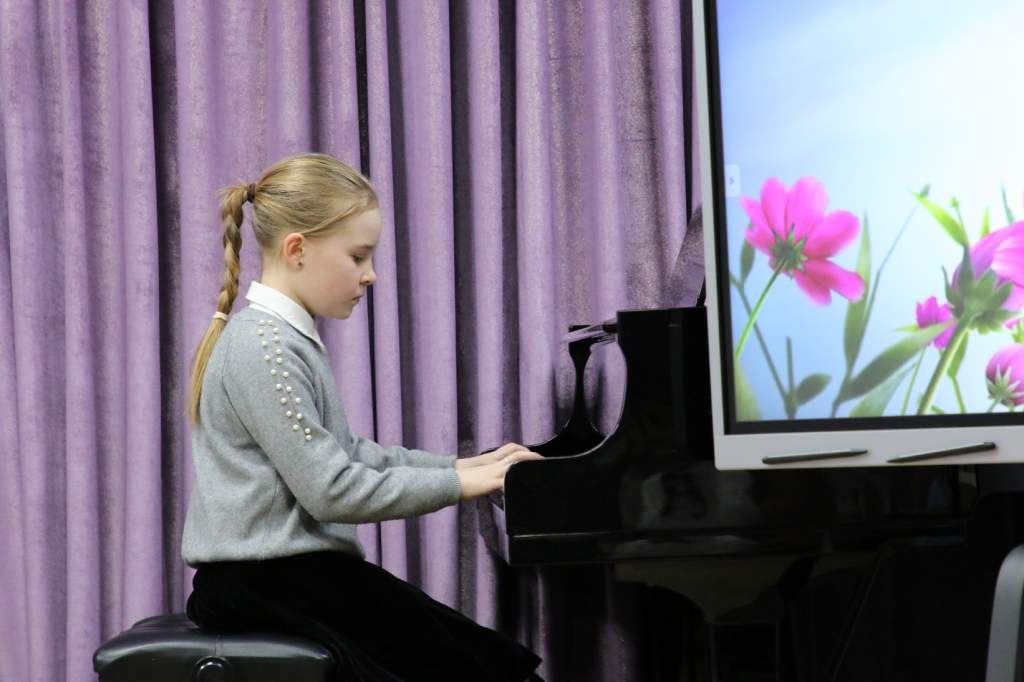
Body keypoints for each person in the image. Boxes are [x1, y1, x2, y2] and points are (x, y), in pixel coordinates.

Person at [181, 152, 544, 681]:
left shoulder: (285, 339)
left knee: (487, 658)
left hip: (291, 578)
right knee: (478, 666)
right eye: (358, 257)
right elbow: (332, 491)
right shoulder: (264, 347)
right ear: (297, 250)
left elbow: (348, 454)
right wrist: (461, 485)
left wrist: (464, 467)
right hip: (266, 585)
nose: (370, 275)